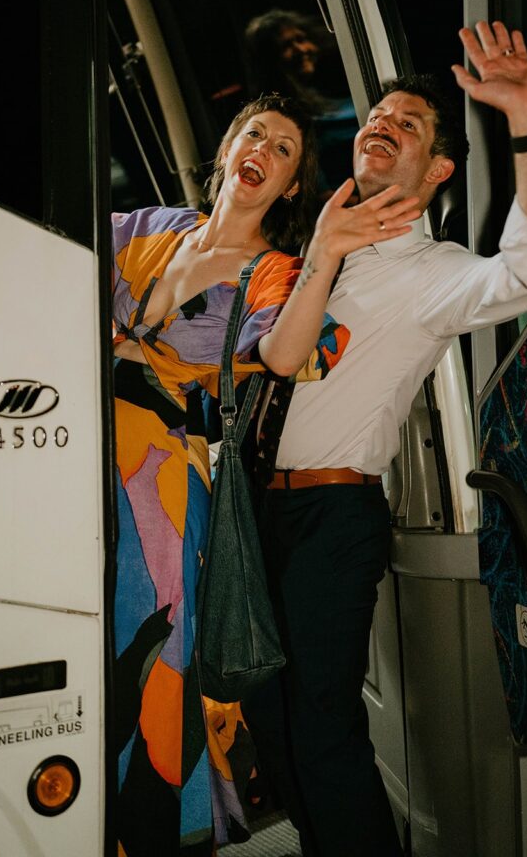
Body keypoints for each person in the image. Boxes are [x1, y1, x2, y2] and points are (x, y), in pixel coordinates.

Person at [241, 21, 527, 857]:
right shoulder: (310, 253)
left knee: (322, 726)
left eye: (406, 125)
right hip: (253, 510)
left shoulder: (433, 273)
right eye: (373, 117)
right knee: (268, 717)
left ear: (435, 171)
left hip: (333, 516)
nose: (379, 126)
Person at [110, 93, 421, 856]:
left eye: (284, 149)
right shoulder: (142, 226)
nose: (265, 149)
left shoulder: (271, 271)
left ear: (287, 188)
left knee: (139, 669)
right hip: (69, 460)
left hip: (157, 501)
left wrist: (320, 251)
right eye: (255, 134)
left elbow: (287, 356)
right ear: (225, 152)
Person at [244, 9, 358, 203]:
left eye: (301, 39)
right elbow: (322, 195)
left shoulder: (319, 97)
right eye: (287, 45)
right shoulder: (282, 115)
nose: (302, 49)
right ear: (270, 60)